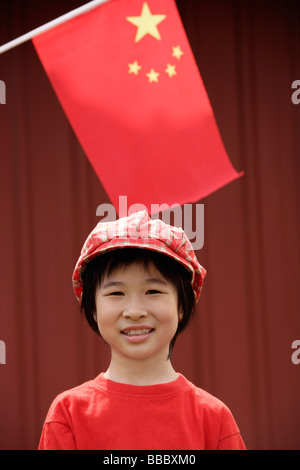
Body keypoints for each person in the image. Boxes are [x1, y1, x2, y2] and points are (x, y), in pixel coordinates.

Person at [38, 210, 246, 450]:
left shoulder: (214, 418)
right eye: (116, 293)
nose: (134, 311)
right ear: (93, 309)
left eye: (153, 291)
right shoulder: (69, 414)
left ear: (182, 306)